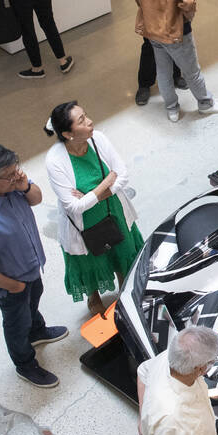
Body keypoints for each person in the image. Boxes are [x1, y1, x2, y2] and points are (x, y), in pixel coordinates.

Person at [0, 144, 68, 388]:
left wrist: (24, 185)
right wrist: (14, 286)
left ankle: (36, 331)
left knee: (34, 299)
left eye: (16, 171)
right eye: (9, 176)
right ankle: (25, 363)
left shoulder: (10, 183)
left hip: (29, 267)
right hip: (11, 283)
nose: (15, 177)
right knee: (16, 322)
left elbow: (37, 199)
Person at [43, 102, 145, 315]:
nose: (89, 121)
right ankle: (94, 299)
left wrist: (95, 195)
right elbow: (74, 207)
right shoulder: (55, 160)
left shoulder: (98, 138)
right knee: (90, 260)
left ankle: (125, 296)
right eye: (81, 120)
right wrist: (104, 184)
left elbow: (122, 175)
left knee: (121, 251)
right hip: (83, 224)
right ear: (67, 133)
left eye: (86, 115)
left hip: (113, 210)